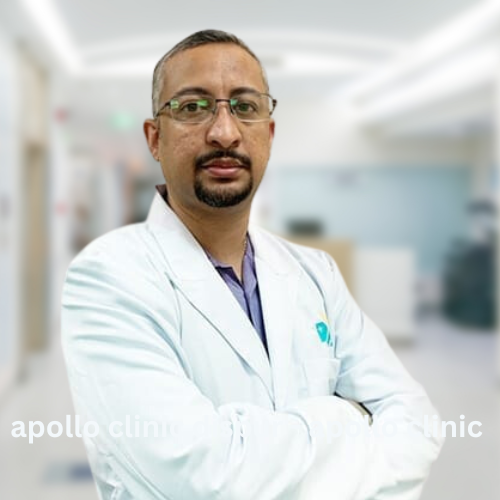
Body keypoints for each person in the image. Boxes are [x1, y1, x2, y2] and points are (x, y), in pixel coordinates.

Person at [61, 29, 444, 500]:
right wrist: (350, 418)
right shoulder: (108, 277)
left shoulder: (315, 272)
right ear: (155, 138)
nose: (225, 133)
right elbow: (202, 477)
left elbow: (417, 424)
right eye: (193, 107)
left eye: (245, 106)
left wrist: (259, 453)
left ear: (269, 134)